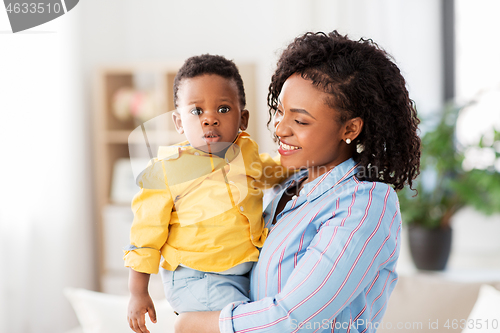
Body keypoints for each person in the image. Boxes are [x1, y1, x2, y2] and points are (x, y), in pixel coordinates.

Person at [174, 31, 421, 333]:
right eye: (279, 111)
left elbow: (294, 320)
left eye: (300, 120)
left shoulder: (364, 204)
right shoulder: (288, 185)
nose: (280, 128)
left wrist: (192, 324)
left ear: (350, 128)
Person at [124, 55, 288, 333]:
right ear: (178, 122)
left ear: (243, 118)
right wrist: (138, 292)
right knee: (251, 325)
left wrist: (307, 164)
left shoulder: (246, 155)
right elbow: (145, 236)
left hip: (240, 273)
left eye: (223, 109)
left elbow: (272, 172)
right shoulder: (166, 170)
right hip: (197, 276)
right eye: (197, 111)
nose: (210, 119)